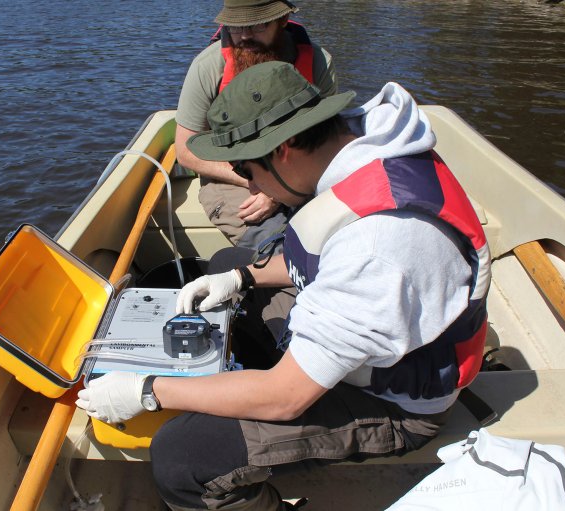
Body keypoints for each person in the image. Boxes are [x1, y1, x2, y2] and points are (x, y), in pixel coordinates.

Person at [76, 62, 492, 510]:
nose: (246, 183)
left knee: (183, 458)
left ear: (287, 147)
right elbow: (310, 258)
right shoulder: (361, 145)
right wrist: (241, 277)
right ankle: (238, 380)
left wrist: (147, 391)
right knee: (229, 260)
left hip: (394, 404)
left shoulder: (376, 247)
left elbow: (286, 398)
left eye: (245, 168)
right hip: (364, 342)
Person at [175, 0, 338, 250]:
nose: (245, 36)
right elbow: (185, 152)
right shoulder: (207, 66)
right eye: (236, 26)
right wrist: (262, 184)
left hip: (303, 172)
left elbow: (330, 140)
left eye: (257, 25)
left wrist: (280, 190)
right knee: (279, 247)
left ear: (282, 21)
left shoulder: (318, 62)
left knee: (337, 237)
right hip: (234, 178)